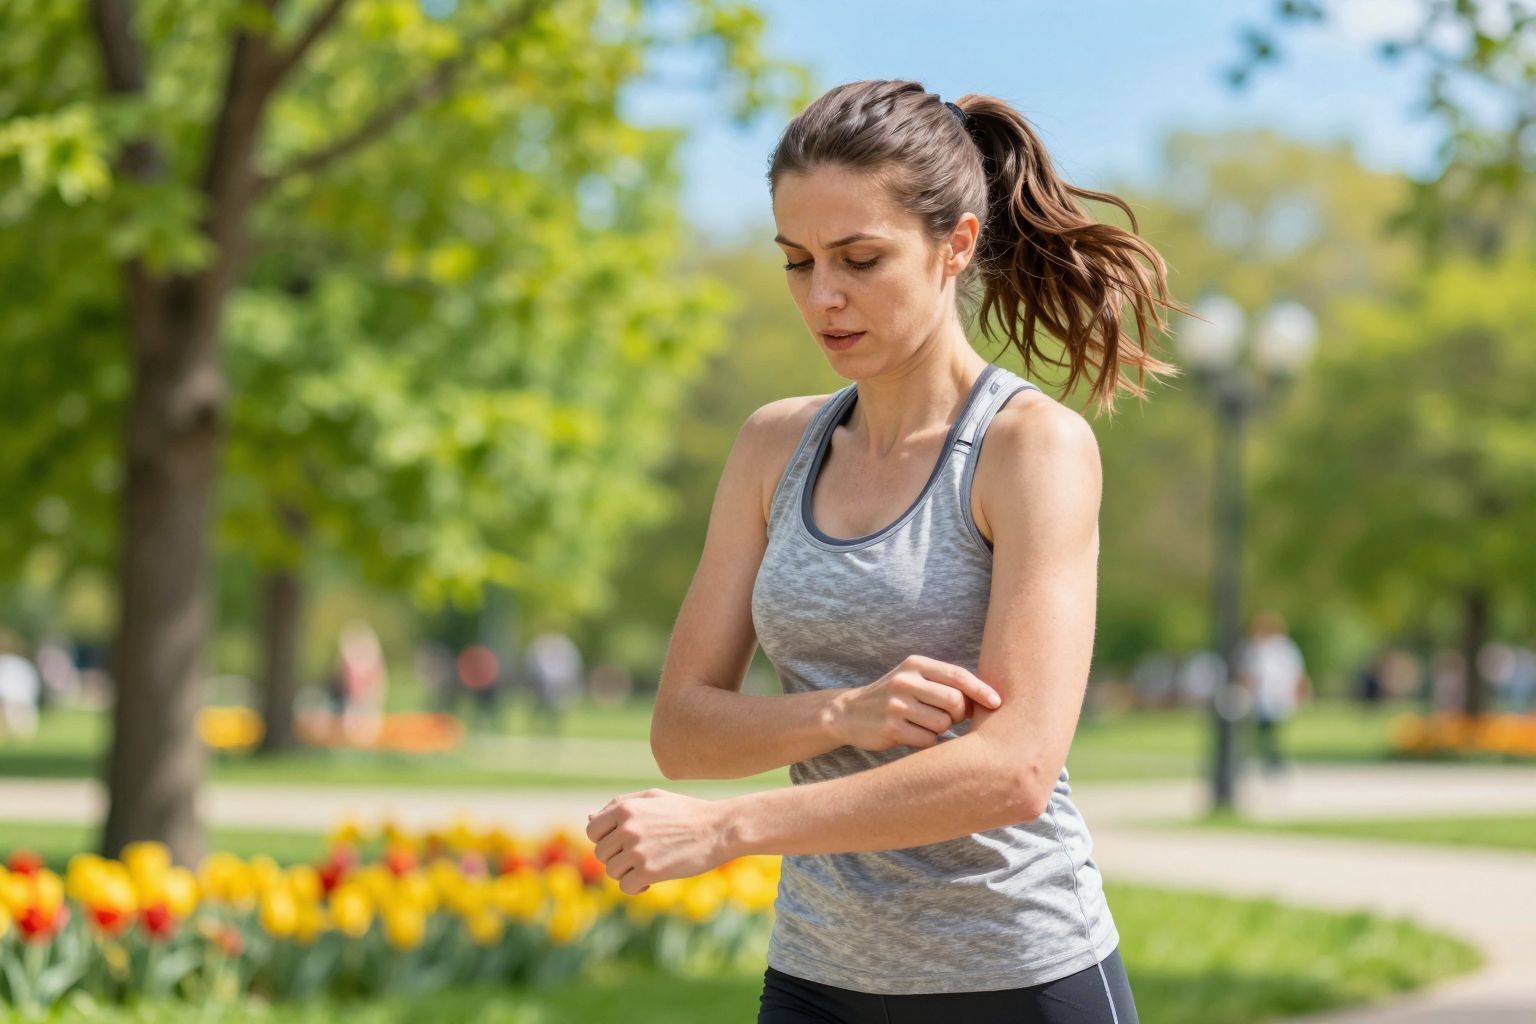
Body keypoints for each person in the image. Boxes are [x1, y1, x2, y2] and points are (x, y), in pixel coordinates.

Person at [585, 81, 1185, 1023]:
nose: (823, 297)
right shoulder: (772, 448)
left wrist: (730, 830)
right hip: (819, 980)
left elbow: (1015, 770)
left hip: (1017, 978)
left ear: (955, 245)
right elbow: (683, 729)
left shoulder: (1029, 448)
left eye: (860, 259)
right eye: (797, 261)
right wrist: (843, 714)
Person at [1236, 611, 1311, 774]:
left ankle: (1271, 760)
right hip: (1259, 697)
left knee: (1270, 730)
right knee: (1260, 730)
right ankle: (1265, 760)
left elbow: (1296, 673)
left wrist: (1299, 693)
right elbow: (1247, 673)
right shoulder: (1253, 648)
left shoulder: (1284, 648)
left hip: (1277, 696)